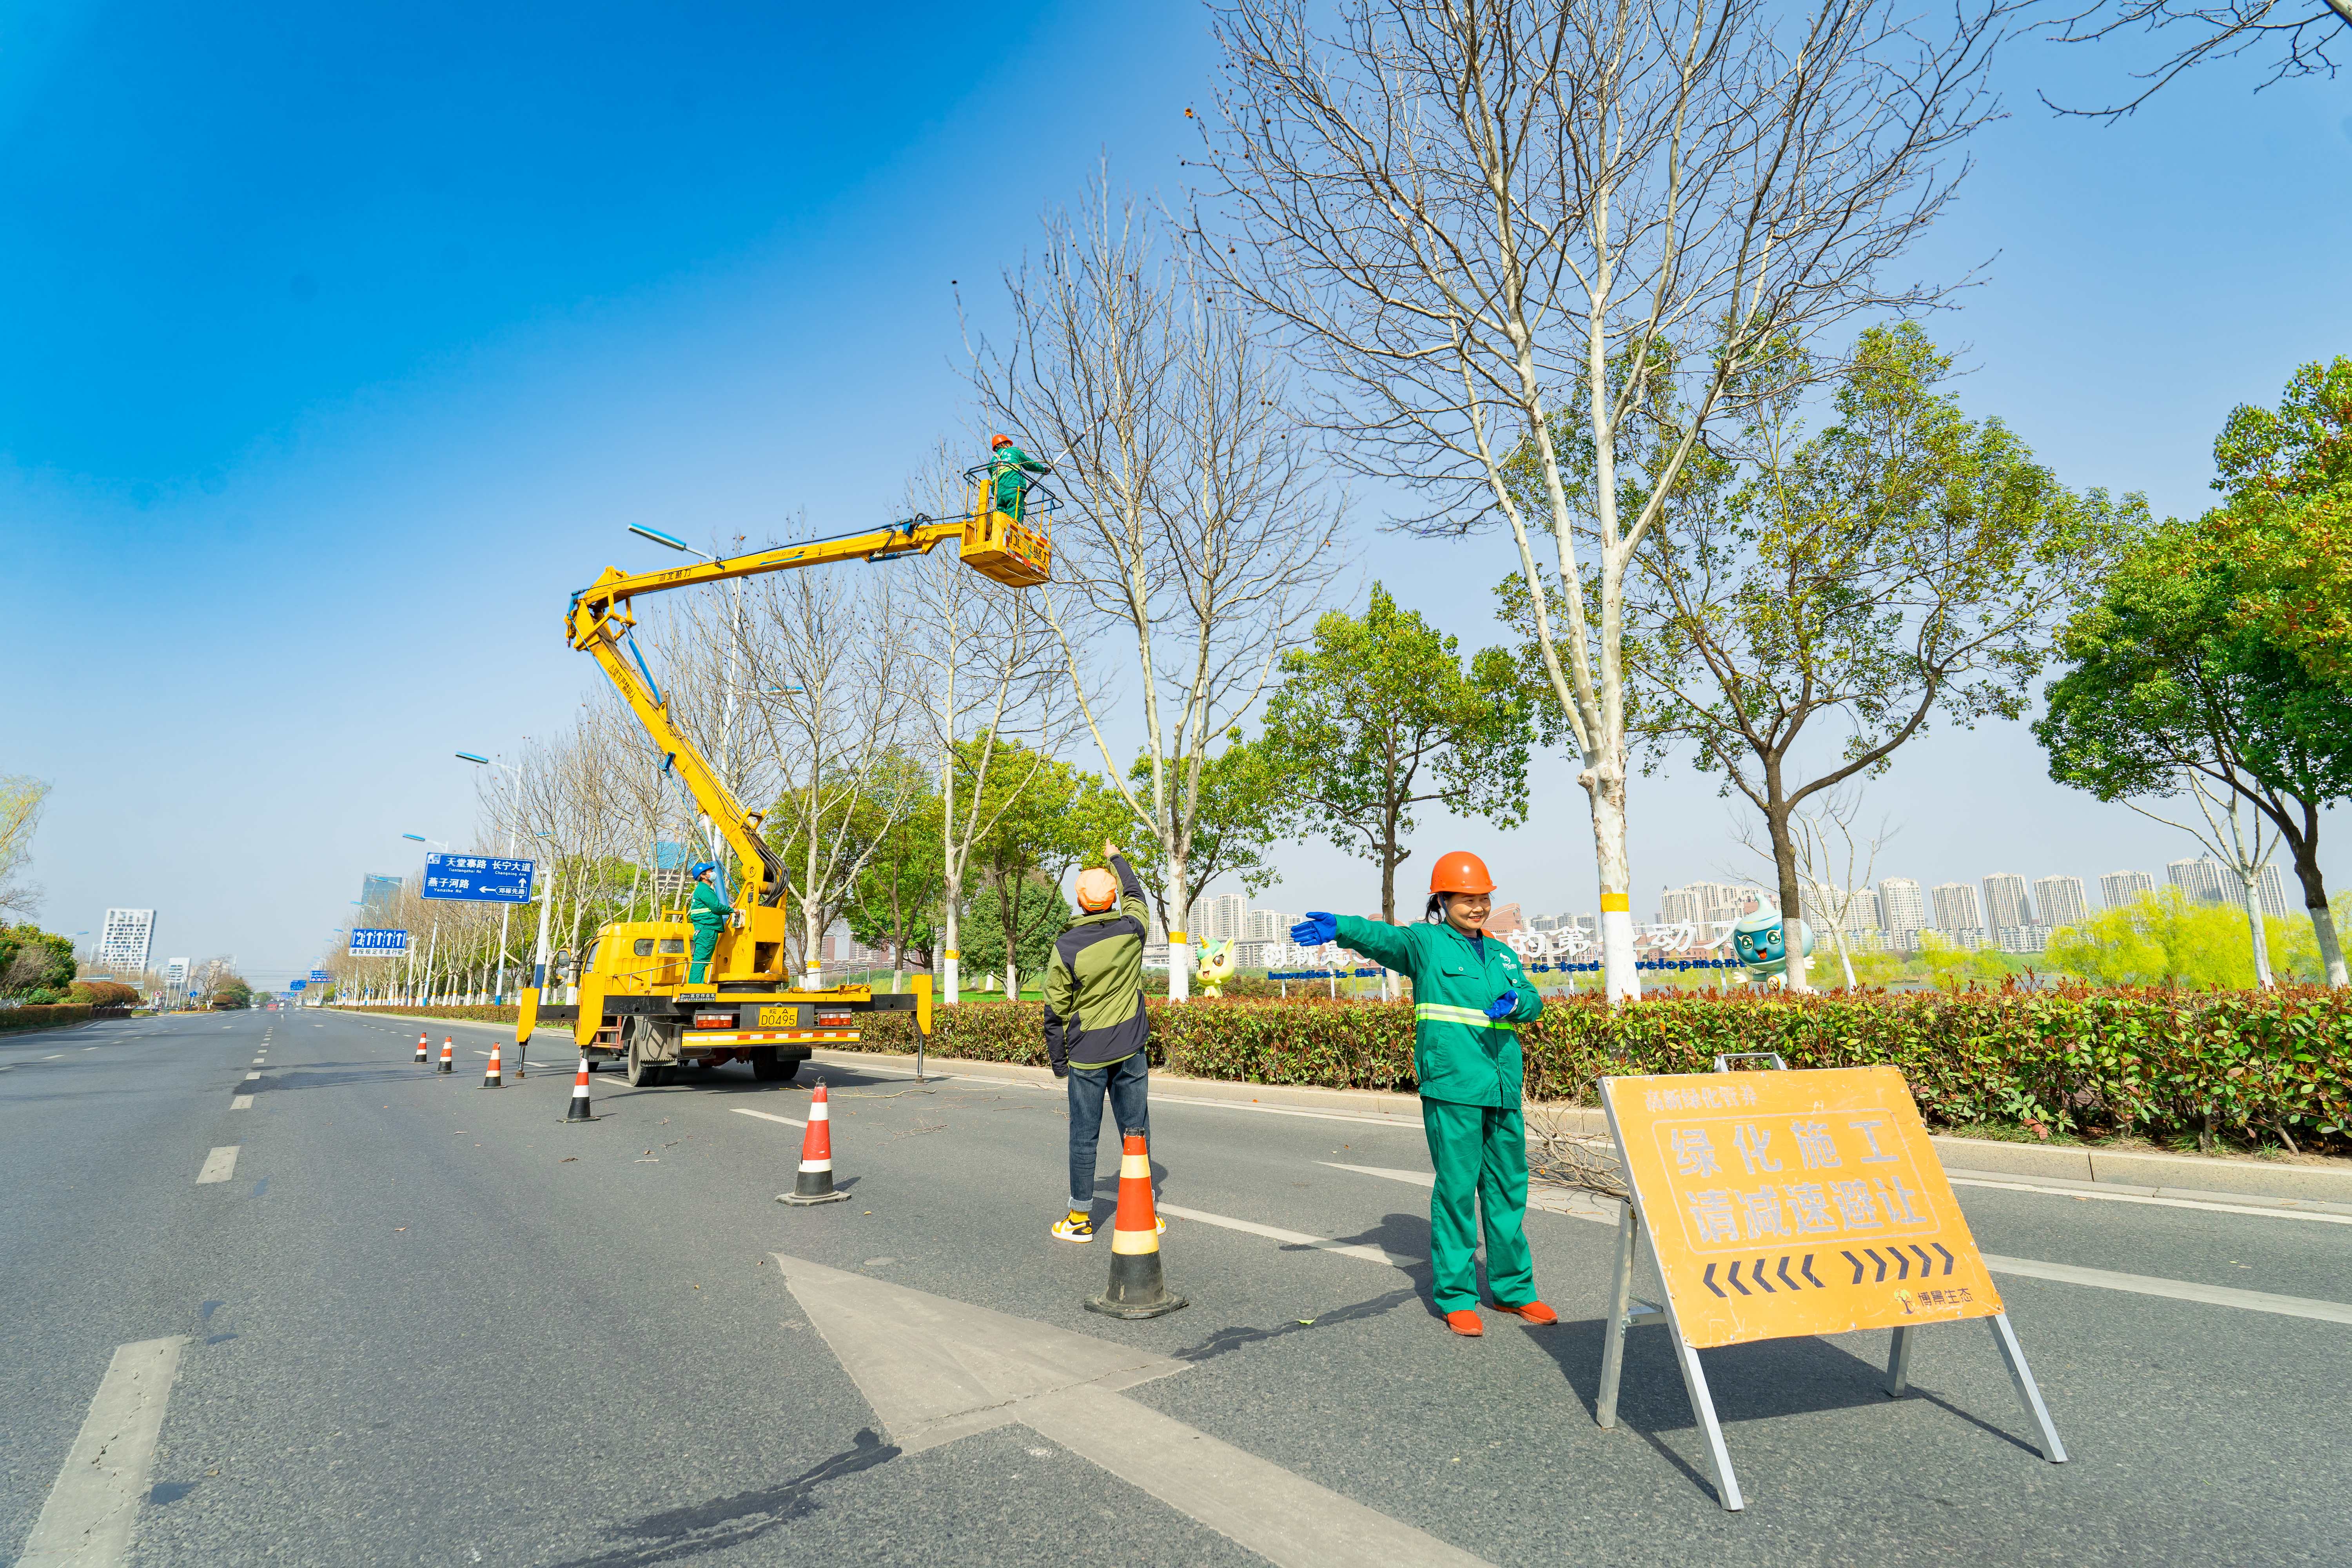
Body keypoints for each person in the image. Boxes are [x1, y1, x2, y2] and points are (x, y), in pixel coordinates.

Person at [1290, 852, 1557, 1337]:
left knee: (1507, 1191)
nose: (1478, 907)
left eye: (1483, 898)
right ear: (1443, 901)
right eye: (1467, 899)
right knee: (1457, 1191)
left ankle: (1514, 1289)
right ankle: (1456, 1296)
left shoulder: (1501, 954)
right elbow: (1385, 939)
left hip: (1503, 1088)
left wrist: (1519, 1001)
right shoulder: (1426, 944)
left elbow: (1534, 999)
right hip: (1454, 1086)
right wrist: (1343, 927)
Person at [1041, 840, 1163, 1243]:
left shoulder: (1066, 947)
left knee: (1084, 1135)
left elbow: (1055, 1012)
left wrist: (1060, 1063)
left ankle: (1080, 1218)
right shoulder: (1132, 930)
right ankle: (1146, 1211)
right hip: (1131, 1048)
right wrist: (1116, 857)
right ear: (1113, 899)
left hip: (1087, 1056)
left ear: (1079, 901)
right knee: (1136, 1131)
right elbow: (1137, 894)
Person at [684, 860, 731, 988]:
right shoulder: (704, 890)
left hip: (706, 929)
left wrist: (728, 908)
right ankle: (695, 988)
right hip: (707, 929)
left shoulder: (703, 890)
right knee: (701, 960)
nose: (713, 874)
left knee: (702, 959)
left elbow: (713, 907)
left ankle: (696, 986)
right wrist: (732, 910)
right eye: (710, 872)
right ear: (703, 876)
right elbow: (716, 907)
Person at [987, 433, 1051, 520]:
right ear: (1003, 444)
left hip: (999, 496)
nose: (1010, 446)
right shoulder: (1013, 451)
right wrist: (1043, 470)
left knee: (1000, 520)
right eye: (1008, 444)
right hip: (1014, 490)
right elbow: (1029, 464)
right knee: (1014, 521)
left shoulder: (992, 463)